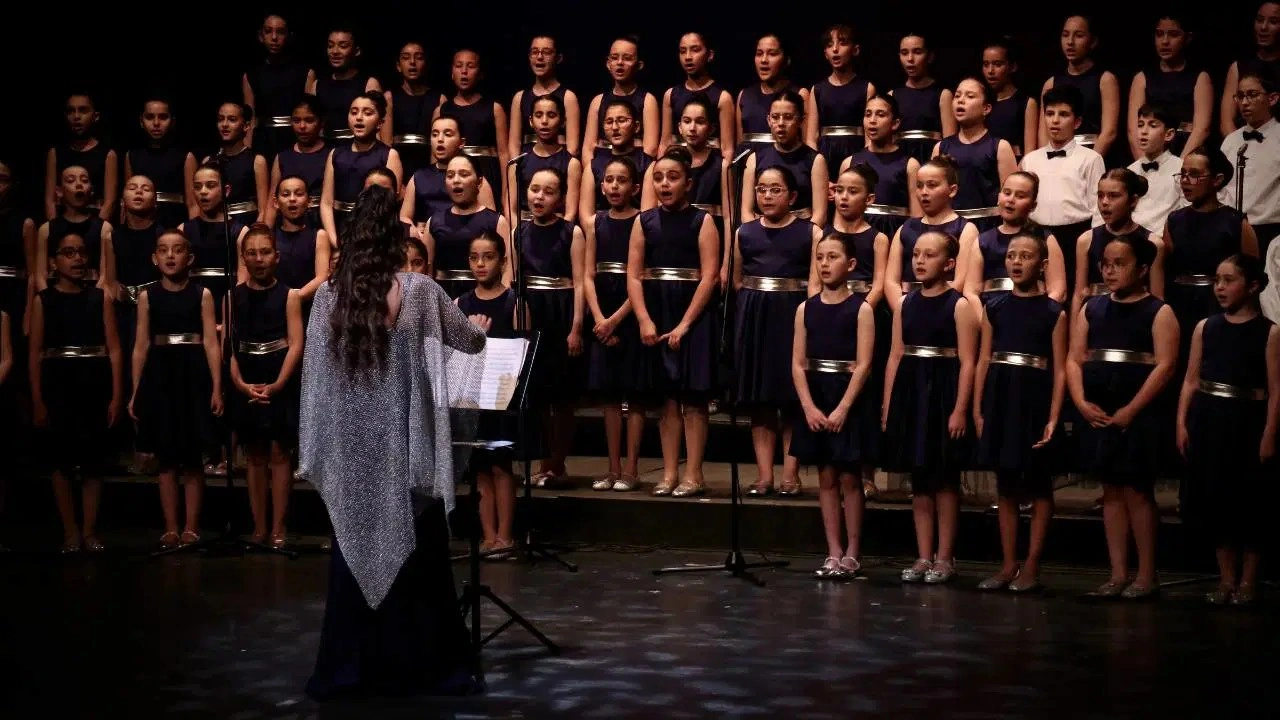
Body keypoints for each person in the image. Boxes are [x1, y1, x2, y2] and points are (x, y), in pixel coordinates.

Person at [300, 183, 485, 700]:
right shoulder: (420, 291)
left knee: (355, 551)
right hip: (406, 449)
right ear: (394, 238)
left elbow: (316, 381)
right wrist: (479, 325)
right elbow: (469, 341)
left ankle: (350, 669)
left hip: (352, 453)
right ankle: (425, 668)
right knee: (418, 560)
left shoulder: (327, 297)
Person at [1067, 233, 1178, 599]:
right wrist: (1081, 402)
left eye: (1120, 264)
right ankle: (1117, 573)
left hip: (1138, 411)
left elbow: (1165, 365)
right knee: (1111, 491)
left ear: (1143, 269)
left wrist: (1132, 409)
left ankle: (1146, 574)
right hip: (1099, 410)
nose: (1110, 271)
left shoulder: (1158, 311)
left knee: (1137, 491)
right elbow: (1074, 358)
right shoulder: (1092, 307)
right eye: (1106, 264)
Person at [1177, 254, 1278, 606]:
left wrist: (1269, 434)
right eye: (1217, 280)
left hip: (1247, 421)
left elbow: (1276, 390)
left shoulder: (1269, 333)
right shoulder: (1205, 327)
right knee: (1215, 500)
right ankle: (1226, 579)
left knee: (1249, 503)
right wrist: (1181, 422)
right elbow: (1190, 380)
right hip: (1210, 419)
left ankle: (1249, 580)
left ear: (1252, 286)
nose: (1219, 287)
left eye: (1229, 280)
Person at [973, 232, 1067, 592]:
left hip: (1034, 398)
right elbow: (984, 358)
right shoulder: (994, 307)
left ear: (1042, 265)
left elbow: (1059, 369)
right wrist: (978, 408)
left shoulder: (1053, 312)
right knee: (1006, 485)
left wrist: (1054, 417)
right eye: (1012, 255)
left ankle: (1032, 564)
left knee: (1039, 485)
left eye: (1025, 256)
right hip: (1001, 396)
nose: (1016, 262)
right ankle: (1008, 563)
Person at [791, 232, 875, 578]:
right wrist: (809, 407)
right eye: (820, 257)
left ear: (851, 264)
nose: (825, 264)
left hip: (846, 397)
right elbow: (797, 364)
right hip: (817, 395)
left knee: (850, 477)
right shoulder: (805, 308)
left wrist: (843, 408)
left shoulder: (861, 309)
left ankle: (853, 551)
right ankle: (833, 551)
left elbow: (864, 364)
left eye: (833, 257)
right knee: (825, 476)